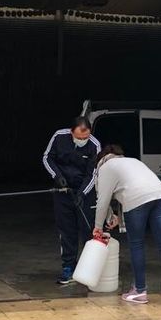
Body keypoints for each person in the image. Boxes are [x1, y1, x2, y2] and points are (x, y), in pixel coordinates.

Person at [93, 144, 161, 305]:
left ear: (101, 159)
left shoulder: (105, 167)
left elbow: (103, 200)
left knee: (136, 244)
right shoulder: (132, 161)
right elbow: (126, 188)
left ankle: (140, 291)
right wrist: (115, 217)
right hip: (160, 195)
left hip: (137, 200)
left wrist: (98, 227)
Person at [42, 116, 101, 284]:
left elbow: (93, 173)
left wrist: (82, 193)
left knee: (87, 230)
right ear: (71, 132)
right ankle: (68, 267)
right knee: (66, 230)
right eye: (79, 137)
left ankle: (89, 269)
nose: (83, 140)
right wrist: (57, 176)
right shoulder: (59, 137)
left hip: (85, 192)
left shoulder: (94, 145)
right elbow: (47, 158)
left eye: (86, 137)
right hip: (62, 190)